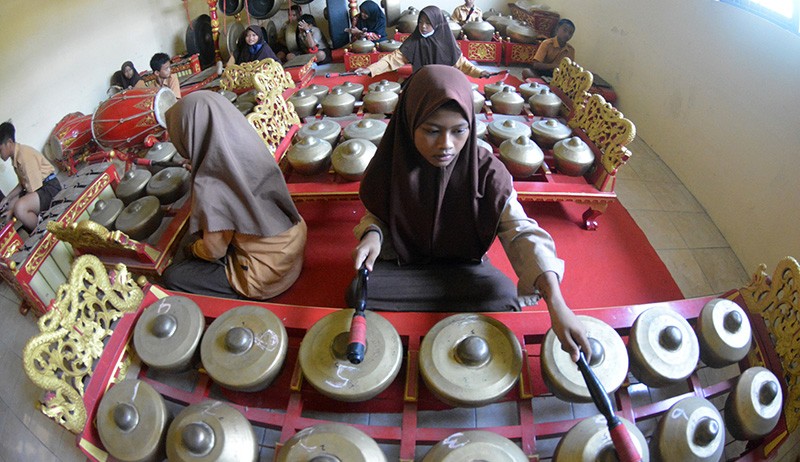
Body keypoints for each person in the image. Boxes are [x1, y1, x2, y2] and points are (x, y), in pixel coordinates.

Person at [350, 65, 590, 361]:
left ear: (471, 127)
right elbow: (376, 215)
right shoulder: (393, 162)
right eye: (431, 131)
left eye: (459, 131)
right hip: (404, 265)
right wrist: (373, 235)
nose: (446, 145)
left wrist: (557, 303)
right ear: (410, 122)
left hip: (463, 269)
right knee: (358, 292)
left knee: (504, 298)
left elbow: (520, 230)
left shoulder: (486, 171)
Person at [161, 91, 307, 300]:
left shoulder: (211, 186)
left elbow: (214, 252)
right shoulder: (248, 143)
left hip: (268, 274)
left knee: (175, 274)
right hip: (292, 241)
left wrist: (193, 249)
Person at [355, 6, 489, 78]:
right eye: (420, 22)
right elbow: (392, 59)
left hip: (444, 81)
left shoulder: (446, 41)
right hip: (421, 81)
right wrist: (370, 69)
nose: (423, 26)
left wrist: (479, 72)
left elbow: (463, 64)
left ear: (437, 23)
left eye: (428, 23)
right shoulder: (414, 40)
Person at [0, 122, 61, 233]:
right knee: (10, 205)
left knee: (19, 208)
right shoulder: (15, 158)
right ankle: (35, 225)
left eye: (0, 149)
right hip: (40, 187)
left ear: (9, 143)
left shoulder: (23, 156)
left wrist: (13, 210)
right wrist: (7, 198)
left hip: (50, 187)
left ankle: (45, 234)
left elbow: (33, 188)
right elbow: (22, 184)